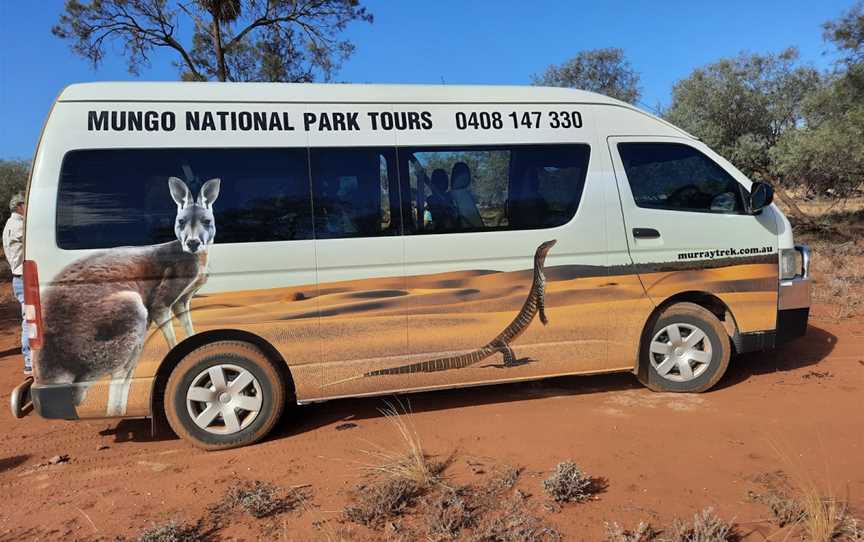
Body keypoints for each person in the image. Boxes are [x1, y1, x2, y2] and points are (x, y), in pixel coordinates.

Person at [3, 192, 31, 375]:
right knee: (30, 319)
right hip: (24, 277)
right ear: (20, 206)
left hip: (19, 277)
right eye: (27, 203)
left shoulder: (9, 225)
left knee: (29, 318)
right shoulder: (19, 226)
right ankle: (29, 361)